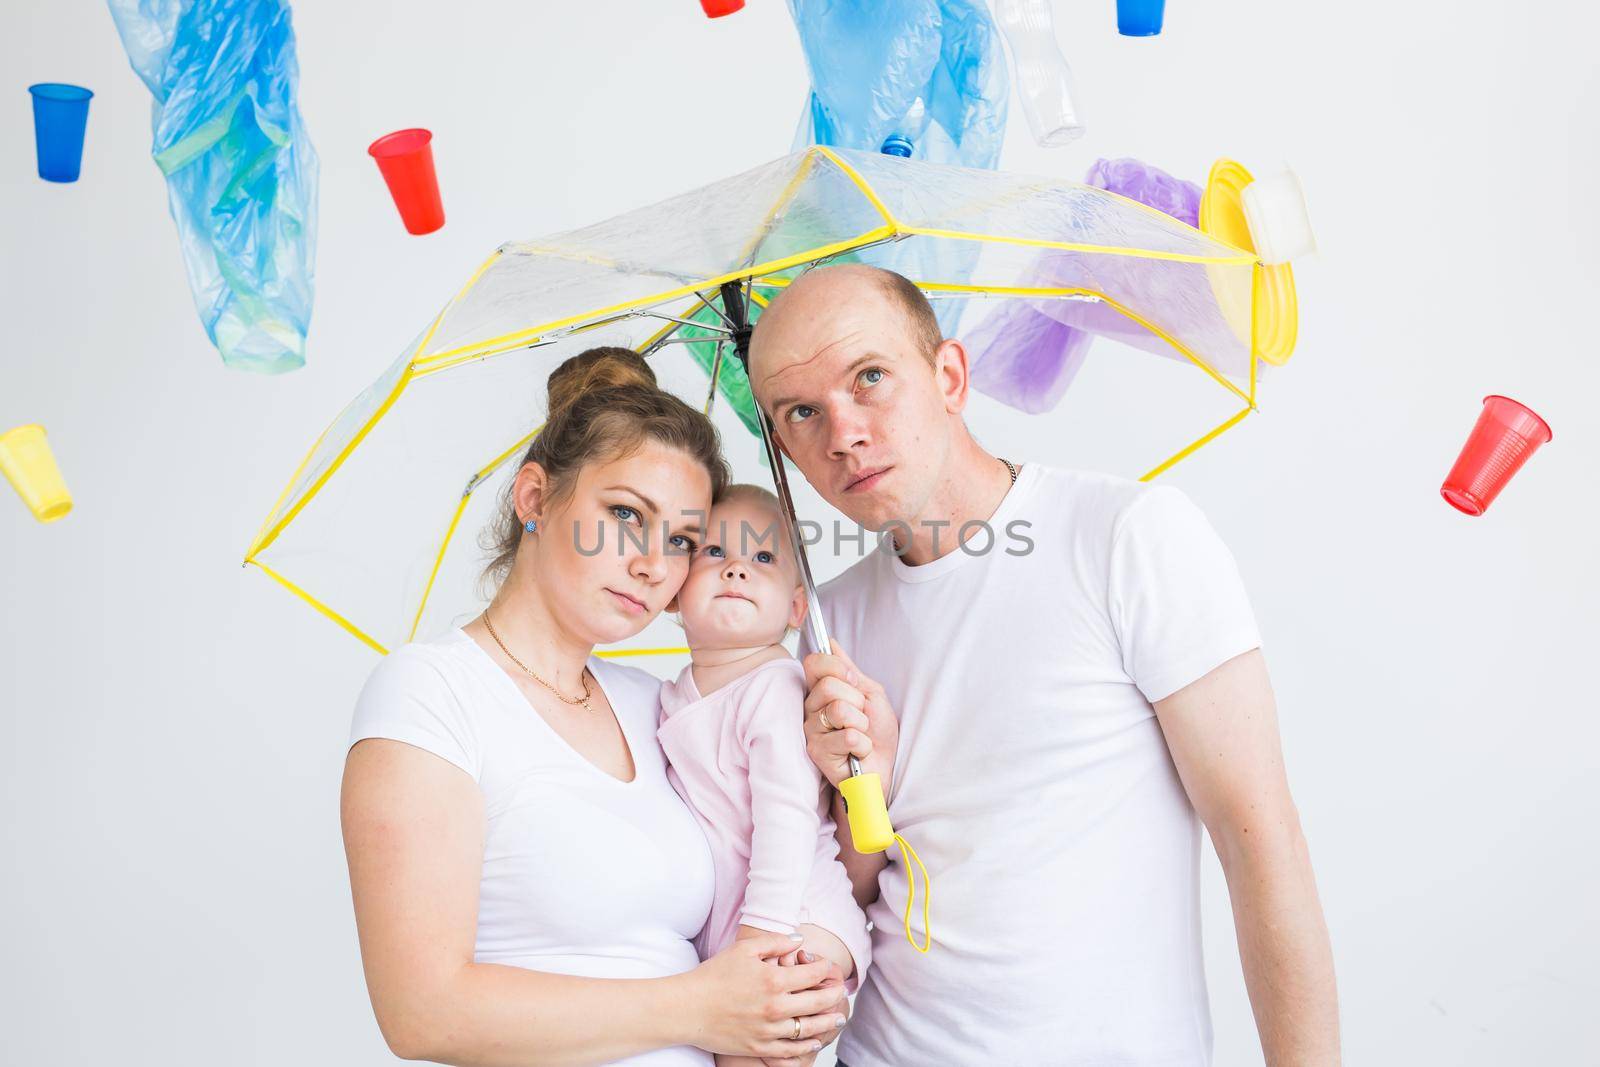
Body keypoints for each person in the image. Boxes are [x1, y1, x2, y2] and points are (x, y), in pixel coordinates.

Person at [745, 265, 1341, 1066]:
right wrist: (865, 786)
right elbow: (845, 897)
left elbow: (1262, 840)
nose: (842, 432)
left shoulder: (1127, 538)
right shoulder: (826, 626)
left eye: (871, 377)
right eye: (802, 412)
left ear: (950, 376)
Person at [340, 347, 848, 1067]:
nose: (652, 564)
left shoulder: (664, 708)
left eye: (680, 541)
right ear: (533, 499)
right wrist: (707, 1005)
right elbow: (422, 1011)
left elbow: (782, 867)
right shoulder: (434, 693)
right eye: (623, 514)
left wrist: (796, 991)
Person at [657, 484, 871, 1067]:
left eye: (763, 559)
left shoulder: (775, 687)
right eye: (714, 554)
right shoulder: (672, 697)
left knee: (755, 1053)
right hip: (736, 928)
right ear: (675, 591)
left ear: (797, 609)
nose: (737, 571)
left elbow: (788, 820)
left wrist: (761, 944)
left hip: (797, 918)